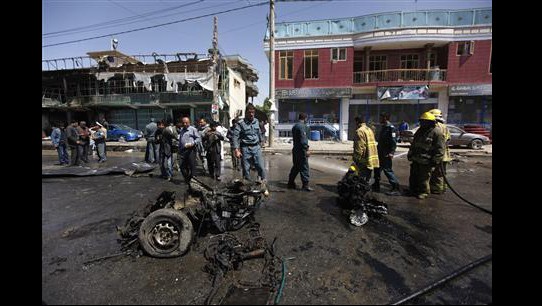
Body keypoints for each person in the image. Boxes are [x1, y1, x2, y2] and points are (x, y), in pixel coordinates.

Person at [407, 112, 446, 199]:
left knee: (423, 178)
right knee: (413, 176)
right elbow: (414, 144)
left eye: (425, 122)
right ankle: (413, 190)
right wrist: (410, 154)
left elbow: (440, 149)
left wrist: (435, 160)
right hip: (416, 159)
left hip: (427, 161)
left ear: (431, 122)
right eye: (422, 121)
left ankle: (423, 192)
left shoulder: (437, 133)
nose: (423, 123)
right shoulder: (420, 131)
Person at [233, 104, 266, 183]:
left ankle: (263, 183)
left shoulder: (256, 121)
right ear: (246, 113)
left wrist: (262, 141)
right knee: (246, 169)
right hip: (245, 148)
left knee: (261, 167)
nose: (251, 114)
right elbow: (235, 137)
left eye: (253, 112)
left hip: (256, 147)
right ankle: (247, 185)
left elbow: (259, 132)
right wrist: (236, 150)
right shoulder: (240, 124)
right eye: (250, 112)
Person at [373, 113, 401, 195]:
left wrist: (392, 152)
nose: (379, 119)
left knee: (387, 170)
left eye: (381, 117)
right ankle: (376, 185)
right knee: (377, 168)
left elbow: (393, 142)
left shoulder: (391, 128)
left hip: (386, 153)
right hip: (380, 152)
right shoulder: (384, 127)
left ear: (385, 118)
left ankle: (395, 187)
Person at [428, 109, 452, 194]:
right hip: (445, 155)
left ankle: (437, 190)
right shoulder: (444, 126)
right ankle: (442, 188)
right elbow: (448, 139)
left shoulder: (436, 126)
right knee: (442, 173)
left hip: (438, 154)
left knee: (437, 173)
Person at [287, 113, 313, 191]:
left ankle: (290, 183)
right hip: (301, 150)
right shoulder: (302, 127)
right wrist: (306, 149)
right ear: (305, 118)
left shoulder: (295, 126)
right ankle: (305, 185)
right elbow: (303, 139)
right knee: (304, 167)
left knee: (296, 167)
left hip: (295, 150)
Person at [352, 116, 379, 184]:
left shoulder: (359, 131)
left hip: (364, 159)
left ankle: (361, 191)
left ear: (357, 122)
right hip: (371, 158)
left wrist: (356, 158)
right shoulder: (369, 129)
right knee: (367, 177)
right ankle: (366, 190)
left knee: (361, 177)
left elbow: (359, 146)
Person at [178, 116, 202, 183]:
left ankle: (193, 180)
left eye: (186, 123)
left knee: (192, 165)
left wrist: (192, 143)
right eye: (183, 123)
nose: (185, 124)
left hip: (191, 150)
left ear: (189, 122)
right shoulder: (182, 130)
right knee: (182, 166)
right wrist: (179, 149)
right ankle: (187, 178)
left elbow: (198, 138)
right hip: (183, 150)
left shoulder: (193, 129)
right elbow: (180, 140)